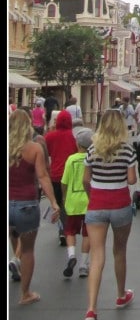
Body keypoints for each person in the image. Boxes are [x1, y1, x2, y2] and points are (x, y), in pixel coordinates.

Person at [82, 109, 137, 320]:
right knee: (119, 251)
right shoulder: (127, 149)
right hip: (120, 204)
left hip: (96, 205)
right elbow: (132, 180)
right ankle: (121, 295)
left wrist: (92, 196)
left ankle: (92, 309)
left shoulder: (93, 149)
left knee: (97, 256)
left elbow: (86, 179)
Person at [9, 108, 61, 304]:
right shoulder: (34, 148)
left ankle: (16, 264)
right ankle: (25, 293)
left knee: (13, 234)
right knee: (28, 249)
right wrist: (54, 202)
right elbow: (42, 177)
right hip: (27, 205)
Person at [60, 128, 93, 279]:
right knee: (87, 234)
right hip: (88, 201)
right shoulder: (92, 158)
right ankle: (83, 265)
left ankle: (72, 255)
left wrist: (64, 196)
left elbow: (64, 181)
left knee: (70, 231)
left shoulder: (71, 159)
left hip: (72, 201)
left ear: (77, 144)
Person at [45, 109, 79, 245]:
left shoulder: (50, 136)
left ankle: (62, 229)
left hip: (55, 175)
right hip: (70, 175)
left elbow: (45, 152)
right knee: (67, 203)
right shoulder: (73, 136)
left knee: (58, 203)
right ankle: (67, 230)